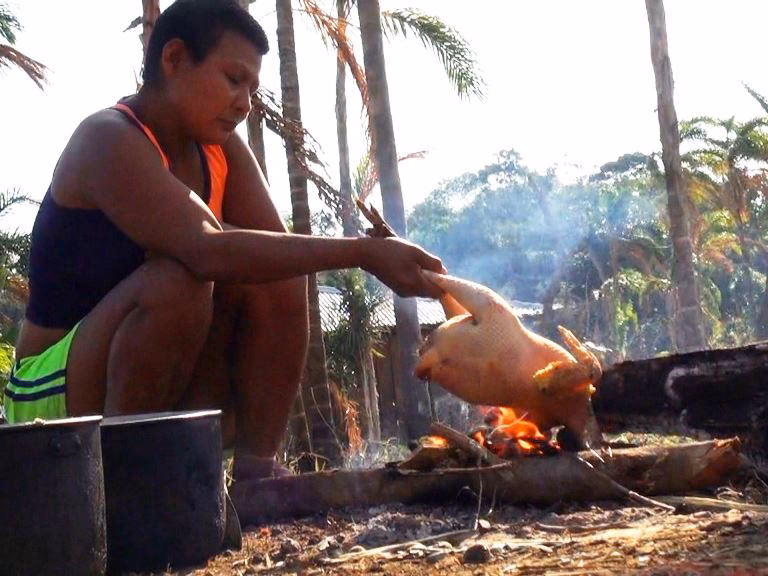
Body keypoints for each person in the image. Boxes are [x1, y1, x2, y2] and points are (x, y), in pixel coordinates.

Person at [5, 0, 443, 493]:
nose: (244, 104)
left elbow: (275, 253)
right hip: (49, 401)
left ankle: (254, 479)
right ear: (173, 59)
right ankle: (126, 494)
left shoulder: (220, 151)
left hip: (143, 385)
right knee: (177, 281)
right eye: (233, 79)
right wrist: (364, 253)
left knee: (274, 272)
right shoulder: (108, 138)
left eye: (252, 89)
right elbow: (207, 250)